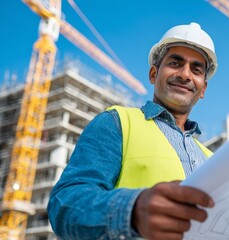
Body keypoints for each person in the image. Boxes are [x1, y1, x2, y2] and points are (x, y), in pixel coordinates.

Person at [48, 22, 218, 240]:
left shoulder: (212, 158)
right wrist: (132, 211)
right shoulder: (116, 122)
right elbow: (66, 204)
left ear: (203, 88)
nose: (185, 75)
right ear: (153, 74)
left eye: (196, 69)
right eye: (175, 63)